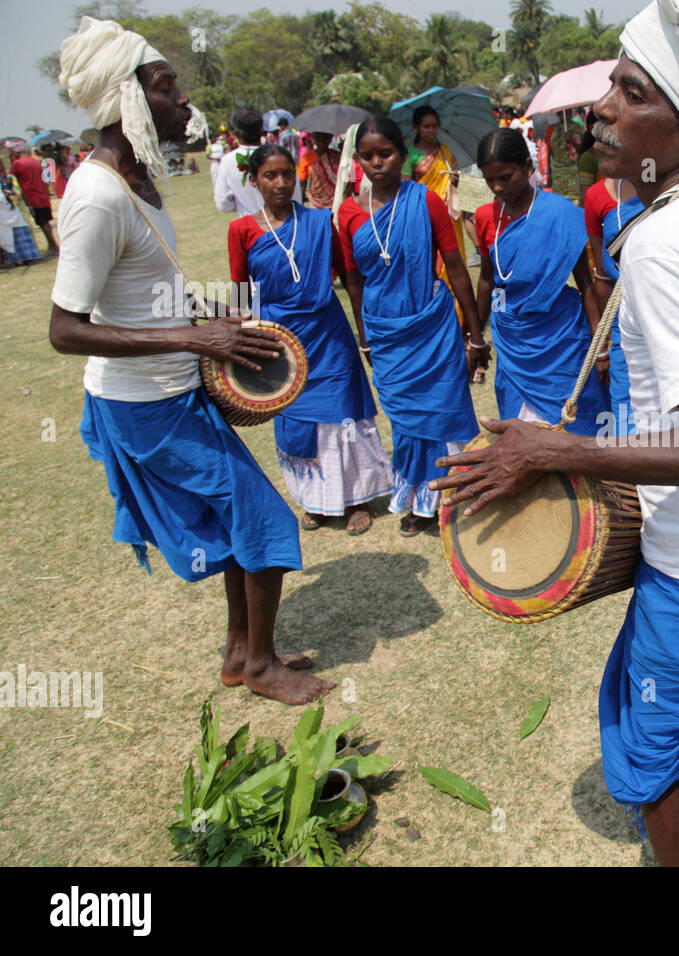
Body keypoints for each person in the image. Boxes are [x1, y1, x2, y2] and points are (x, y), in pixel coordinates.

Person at [433, 0, 679, 868]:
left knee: (654, 759)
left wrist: (552, 450)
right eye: (612, 87)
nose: (603, 109)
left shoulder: (663, 247)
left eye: (631, 91)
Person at [50, 15, 331, 704]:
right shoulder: (94, 197)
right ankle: (262, 667)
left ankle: (242, 653)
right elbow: (63, 329)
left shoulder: (139, 183)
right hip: (143, 404)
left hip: (178, 390)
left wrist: (208, 318)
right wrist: (192, 340)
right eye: (167, 87)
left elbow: (145, 295)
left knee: (239, 522)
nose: (184, 100)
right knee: (262, 517)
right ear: (128, 99)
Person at [227, 143, 392, 535]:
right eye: (270, 175)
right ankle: (315, 500)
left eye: (287, 174)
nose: (281, 183)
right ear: (254, 181)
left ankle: (356, 498)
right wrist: (238, 340)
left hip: (328, 336)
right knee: (295, 420)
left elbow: (349, 275)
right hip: (279, 342)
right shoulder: (242, 230)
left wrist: (363, 331)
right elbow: (237, 289)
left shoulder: (319, 222)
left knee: (342, 413)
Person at [337, 115, 486, 537]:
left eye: (385, 153)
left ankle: (454, 497)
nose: (376, 162)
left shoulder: (426, 200)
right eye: (367, 156)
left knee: (445, 412)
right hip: (386, 336)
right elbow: (353, 280)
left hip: (432, 330)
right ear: (358, 163)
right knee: (405, 422)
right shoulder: (348, 214)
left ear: (402, 155)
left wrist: (474, 334)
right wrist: (364, 337)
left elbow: (457, 268)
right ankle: (419, 503)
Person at [473, 128, 610, 434]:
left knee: (573, 427)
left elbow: (585, 285)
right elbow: (486, 280)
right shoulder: (485, 218)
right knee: (521, 431)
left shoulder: (561, 213)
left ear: (527, 166)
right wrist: (475, 336)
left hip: (562, 340)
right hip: (512, 341)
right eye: (489, 180)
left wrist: (600, 347)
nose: (496, 187)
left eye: (505, 176)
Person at [403, 106, 478, 317]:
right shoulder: (409, 155)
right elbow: (407, 188)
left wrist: (455, 179)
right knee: (430, 264)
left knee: (452, 264)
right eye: (426, 126)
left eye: (434, 126)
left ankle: (457, 313)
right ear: (416, 127)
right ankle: (433, 312)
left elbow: (454, 181)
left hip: (449, 216)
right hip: (423, 216)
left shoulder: (445, 150)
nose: (431, 130)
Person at [584, 171, 643, 434]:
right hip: (624, 331)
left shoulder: (671, 186)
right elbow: (602, 276)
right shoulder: (596, 197)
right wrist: (604, 346)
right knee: (625, 415)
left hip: (673, 323)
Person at [215, 107, 300, 217]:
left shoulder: (228, 161)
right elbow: (296, 196)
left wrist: (243, 203)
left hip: (250, 226)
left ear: (235, 133)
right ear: (261, 129)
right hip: (285, 225)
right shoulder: (279, 157)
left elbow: (223, 204)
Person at [9, 149, 58, 255]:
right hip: (42, 195)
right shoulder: (35, 161)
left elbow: (10, 178)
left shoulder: (17, 164)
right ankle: (51, 245)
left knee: (42, 222)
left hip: (32, 197)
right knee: (46, 222)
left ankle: (54, 245)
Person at [0, 159, 41, 266]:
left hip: (12, 209)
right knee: (7, 236)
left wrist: (10, 194)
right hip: (4, 213)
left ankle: (27, 257)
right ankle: (15, 259)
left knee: (19, 233)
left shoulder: (9, 178)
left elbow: (18, 193)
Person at [298, 131, 353, 210]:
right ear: (314, 139)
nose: (321, 141)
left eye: (324, 138)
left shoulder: (339, 157)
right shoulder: (306, 158)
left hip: (337, 203)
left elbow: (348, 181)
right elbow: (302, 183)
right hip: (317, 204)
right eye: (318, 138)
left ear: (330, 139)